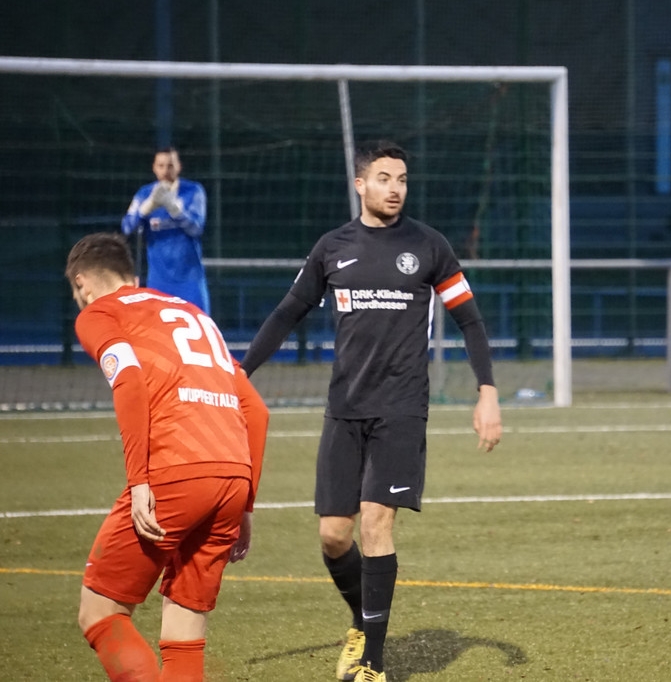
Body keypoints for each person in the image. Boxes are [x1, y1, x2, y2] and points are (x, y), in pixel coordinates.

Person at [240, 140, 503, 682]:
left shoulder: (428, 246)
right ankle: (362, 622)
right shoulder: (332, 248)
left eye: (402, 179)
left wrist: (488, 392)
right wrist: (239, 373)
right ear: (360, 184)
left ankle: (373, 665)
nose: (395, 188)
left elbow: (470, 320)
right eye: (384, 178)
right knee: (334, 536)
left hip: (401, 409)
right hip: (344, 409)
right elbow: (288, 313)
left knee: (377, 523)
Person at [65, 232, 269, 682]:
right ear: (132, 275)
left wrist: (140, 481)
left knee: (100, 612)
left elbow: (129, 380)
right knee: (184, 627)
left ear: (82, 283)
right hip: (232, 477)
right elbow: (256, 411)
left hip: (175, 472)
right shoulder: (193, 313)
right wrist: (246, 506)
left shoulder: (100, 312)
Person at [121, 147, 211, 313]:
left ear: (179, 167)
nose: (165, 171)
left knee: (198, 324)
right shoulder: (144, 194)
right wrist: (145, 209)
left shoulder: (193, 191)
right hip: (158, 282)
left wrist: (174, 210)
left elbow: (196, 229)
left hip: (189, 281)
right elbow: (126, 227)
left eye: (170, 165)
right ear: (154, 168)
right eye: (161, 166)